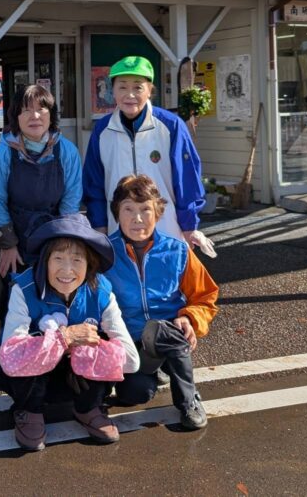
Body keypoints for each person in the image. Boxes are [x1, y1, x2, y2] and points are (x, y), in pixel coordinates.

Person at [0, 214, 139, 451]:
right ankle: (29, 411)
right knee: (23, 351)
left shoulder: (101, 291)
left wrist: (82, 350)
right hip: (33, 381)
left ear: (90, 263)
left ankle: (88, 407)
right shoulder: (23, 289)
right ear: (45, 260)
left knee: (100, 344)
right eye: (58, 258)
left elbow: (131, 361)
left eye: (77, 259)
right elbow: (9, 358)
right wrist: (65, 338)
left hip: (75, 379)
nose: (67, 270)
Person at [105, 174, 219, 430]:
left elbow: (205, 295)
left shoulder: (178, 250)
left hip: (170, 336)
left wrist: (189, 317)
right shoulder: (104, 253)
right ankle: (156, 368)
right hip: (129, 340)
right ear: (117, 213)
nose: (137, 218)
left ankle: (189, 400)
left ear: (157, 213)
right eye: (128, 209)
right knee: (135, 394)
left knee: (165, 331)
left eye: (145, 209)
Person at [82, 56, 209, 251]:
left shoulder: (171, 126)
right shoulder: (102, 130)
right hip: (117, 230)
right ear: (112, 91)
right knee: (123, 270)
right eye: (122, 87)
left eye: (138, 87)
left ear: (150, 90)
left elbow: (187, 179)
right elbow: (94, 183)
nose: (130, 94)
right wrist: (99, 225)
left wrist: (189, 226)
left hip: (166, 228)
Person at [0, 84, 82, 321]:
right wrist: (7, 245)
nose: (34, 116)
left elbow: (70, 202)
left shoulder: (66, 151)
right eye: (26, 110)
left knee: (56, 295)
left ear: (51, 114)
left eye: (41, 109)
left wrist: (63, 244)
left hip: (54, 232)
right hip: (16, 235)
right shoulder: (2, 153)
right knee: (14, 294)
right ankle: (9, 343)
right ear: (15, 116)